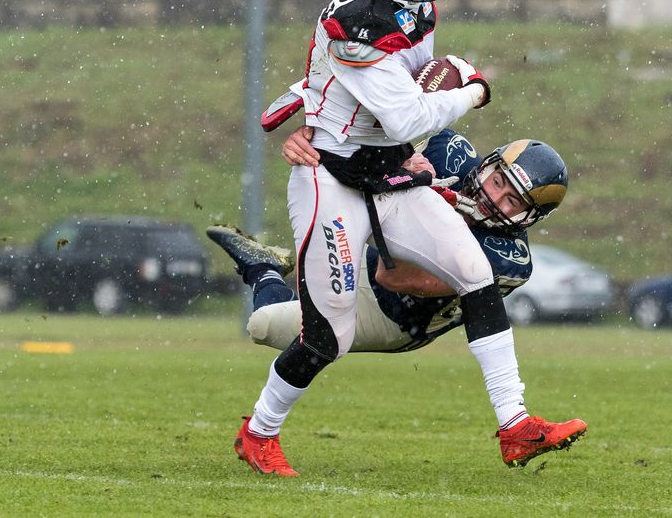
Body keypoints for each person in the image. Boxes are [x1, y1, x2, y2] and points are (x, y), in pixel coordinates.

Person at [231, 0, 580, 477]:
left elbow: (401, 91)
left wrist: (320, 103)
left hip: (388, 170)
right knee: (328, 335)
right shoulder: (356, 25)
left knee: (476, 273)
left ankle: (516, 425)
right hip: (332, 176)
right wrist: (472, 90)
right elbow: (406, 117)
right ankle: (259, 432)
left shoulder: (415, 12)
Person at [211, 128, 586, 469]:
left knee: (264, 325)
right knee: (300, 319)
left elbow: (393, 277)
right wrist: (313, 137)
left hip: (390, 315)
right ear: (489, 164)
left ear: (529, 218)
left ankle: (262, 270)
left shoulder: (510, 259)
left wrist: (425, 200)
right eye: (499, 181)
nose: (494, 198)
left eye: (513, 201)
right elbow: (376, 130)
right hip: (366, 250)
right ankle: (260, 432)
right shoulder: (449, 151)